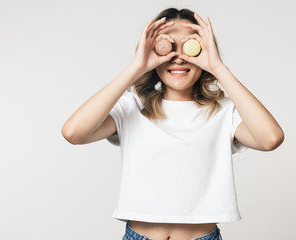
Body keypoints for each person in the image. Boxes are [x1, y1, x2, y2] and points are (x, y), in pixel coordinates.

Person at [61, 7, 284, 240]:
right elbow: (74, 133)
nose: (178, 56)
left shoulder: (224, 111)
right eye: (168, 45)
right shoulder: (131, 107)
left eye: (190, 46)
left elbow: (271, 139)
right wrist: (137, 67)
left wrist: (218, 67)